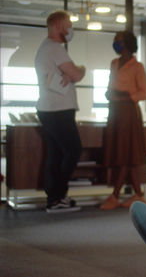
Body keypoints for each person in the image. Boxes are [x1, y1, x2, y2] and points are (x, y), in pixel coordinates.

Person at [34, 11, 86, 213]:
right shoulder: (55, 48)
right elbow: (77, 75)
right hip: (58, 110)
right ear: (57, 26)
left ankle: (56, 199)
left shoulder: (46, 48)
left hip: (49, 109)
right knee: (73, 150)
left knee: (55, 154)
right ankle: (57, 194)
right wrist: (81, 68)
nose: (70, 29)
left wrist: (71, 72)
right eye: (68, 24)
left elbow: (71, 74)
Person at [100, 30, 146, 210]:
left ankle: (114, 195)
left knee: (125, 152)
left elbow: (145, 92)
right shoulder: (113, 63)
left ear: (127, 43)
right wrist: (110, 94)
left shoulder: (137, 67)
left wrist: (127, 96)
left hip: (128, 112)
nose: (115, 43)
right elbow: (110, 86)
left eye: (118, 40)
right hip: (114, 111)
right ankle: (138, 194)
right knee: (123, 153)